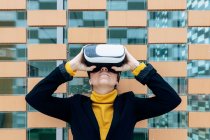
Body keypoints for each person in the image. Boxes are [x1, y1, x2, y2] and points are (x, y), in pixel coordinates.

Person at [25, 45, 182, 140]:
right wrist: (71, 66)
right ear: (90, 80)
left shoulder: (130, 106)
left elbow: (170, 100)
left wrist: (136, 66)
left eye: (111, 69)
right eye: (97, 69)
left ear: (117, 80)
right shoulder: (75, 107)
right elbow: (35, 98)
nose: (104, 69)